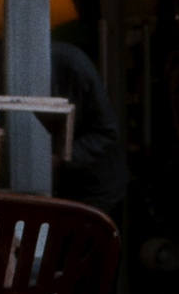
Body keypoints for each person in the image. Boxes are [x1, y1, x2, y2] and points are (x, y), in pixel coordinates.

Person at [48, 39, 124, 219]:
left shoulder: (72, 64)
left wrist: (60, 158)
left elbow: (107, 132)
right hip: (62, 186)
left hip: (95, 187)